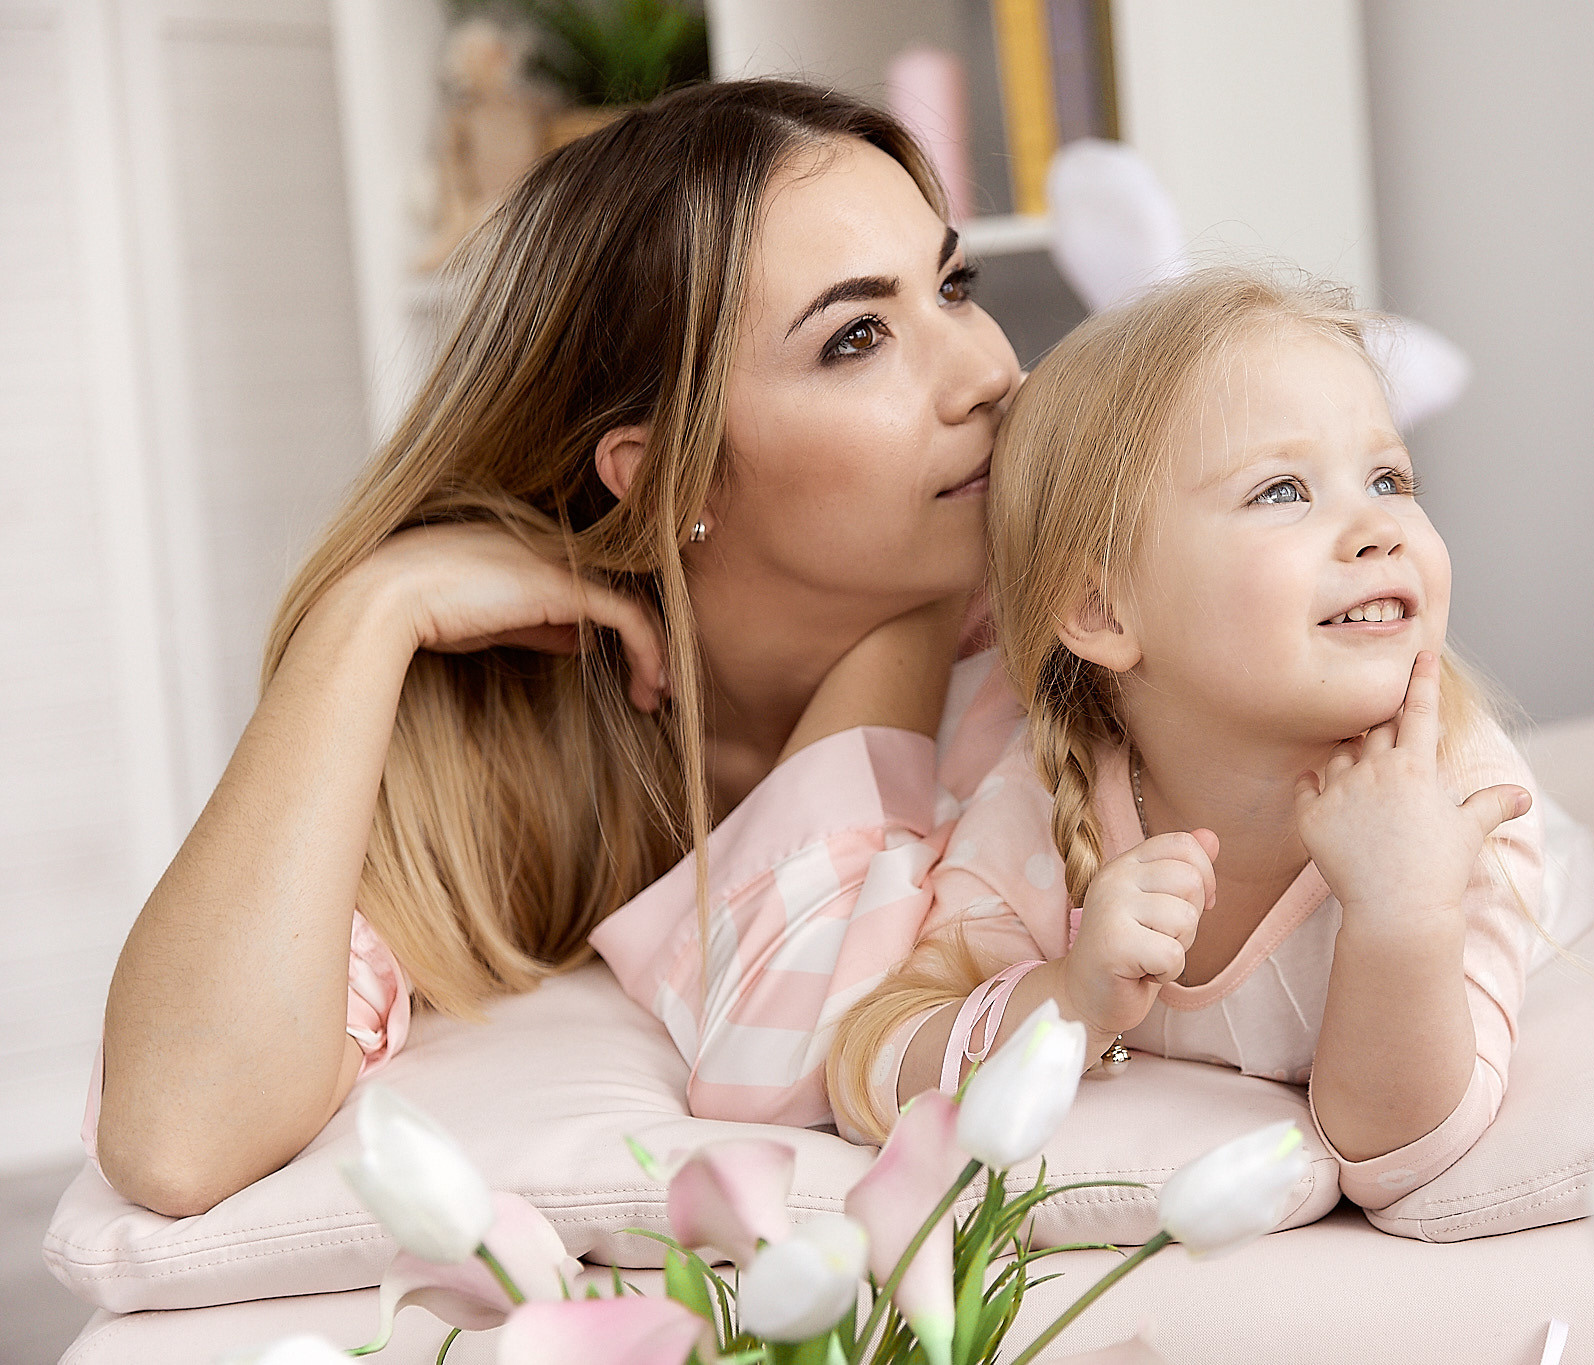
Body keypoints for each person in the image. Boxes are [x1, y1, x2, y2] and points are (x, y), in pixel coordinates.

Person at [93, 78, 1021, 1217]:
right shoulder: (506, 745)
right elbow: (176, 1134)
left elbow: (831, 1036)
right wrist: (370, 608)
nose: (989, 371)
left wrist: (908, 624)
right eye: (857, 336)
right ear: (667, 474)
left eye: (954, 286)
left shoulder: (1079, 649)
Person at [824, 267, 1553, 1212]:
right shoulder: (1052, 798)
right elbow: (872, 1070)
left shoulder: (1458, 801)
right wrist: (1070, 999)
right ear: (1103, 610)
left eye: (1389, 478)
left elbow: (1398, 1155)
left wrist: (1401, 913)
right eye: (1283, 490)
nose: (1380, 527)